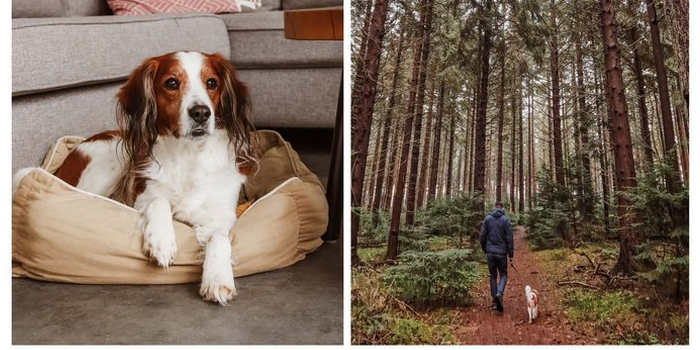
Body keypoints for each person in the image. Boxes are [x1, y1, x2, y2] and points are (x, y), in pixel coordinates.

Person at [479, 201, 513, 312]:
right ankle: (499, 293)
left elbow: (482, 236)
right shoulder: (505, 220)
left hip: (490, 253)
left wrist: (485, 249)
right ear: (502, 208)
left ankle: (494, 301)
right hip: (502, 253)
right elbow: (509, 239)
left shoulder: (487, 219)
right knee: (503, 274)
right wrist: (511, 254)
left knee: (492, 276)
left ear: (495, 208)